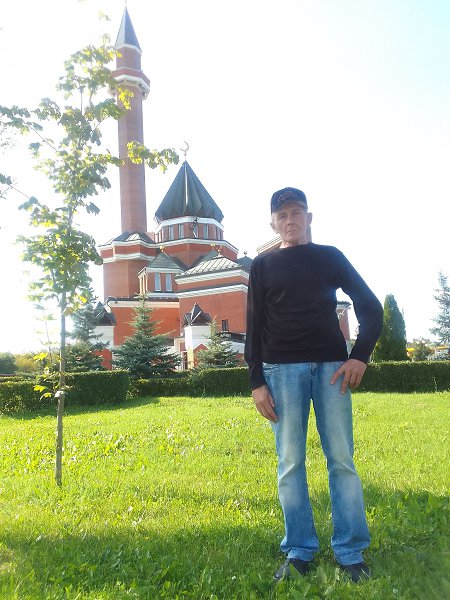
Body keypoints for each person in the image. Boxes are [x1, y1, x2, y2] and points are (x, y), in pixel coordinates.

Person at [244, 187, 383, 583]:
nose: (290, 220)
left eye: (296, 212)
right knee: (290, 462)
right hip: (281, 371)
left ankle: (350, 551)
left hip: (330, 369)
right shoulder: (262, 266)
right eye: (282, 215)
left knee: (341, 459)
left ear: (309, 217)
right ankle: (300, 549)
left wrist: (359, 356)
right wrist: (257, 381)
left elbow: (370, 307)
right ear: (273, 223)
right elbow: (254, 326)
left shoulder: (330, 257)